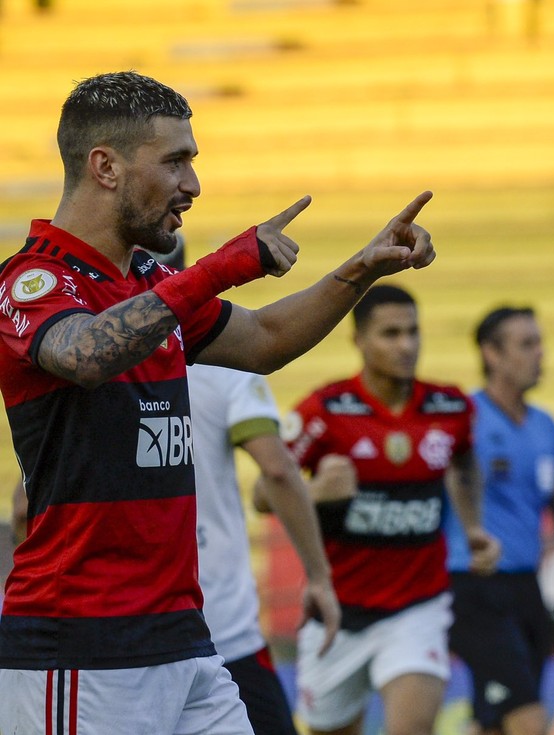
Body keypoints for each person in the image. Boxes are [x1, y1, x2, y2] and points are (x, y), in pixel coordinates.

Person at [0, 70, 435, 734]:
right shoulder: (33, 281)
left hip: (185, 639)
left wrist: (363, 268)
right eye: (175, 161)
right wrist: (221, 266)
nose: (193, 185)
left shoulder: (149, 280)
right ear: (105, 167)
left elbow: (264, 338)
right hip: (82, 645)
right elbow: (86, 354)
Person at [276, 283, 499, 735]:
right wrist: (316, 491)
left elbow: (464, 463)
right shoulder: (325, 412)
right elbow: (266, 491)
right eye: (391, 334)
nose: (406, 345)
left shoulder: (450, 407)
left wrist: (473, 525)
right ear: (359, 340)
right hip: (338, 613)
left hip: (416, 608)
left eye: (413, 332)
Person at [145, 239, 340, 734]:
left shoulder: (88, 352)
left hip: (126, 626)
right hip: (222, 630)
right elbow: (276, 471)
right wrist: (317, 576)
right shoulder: (223, 361)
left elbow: (26, 503)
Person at [444, 306, 554, 735]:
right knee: (527, 717)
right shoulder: (462, 418)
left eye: (539, 342)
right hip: (472, 589)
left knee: (493, 723)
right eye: (526, 344)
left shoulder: (547, 428)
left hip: (526, 592)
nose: (540, 353)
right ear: (491, 353)